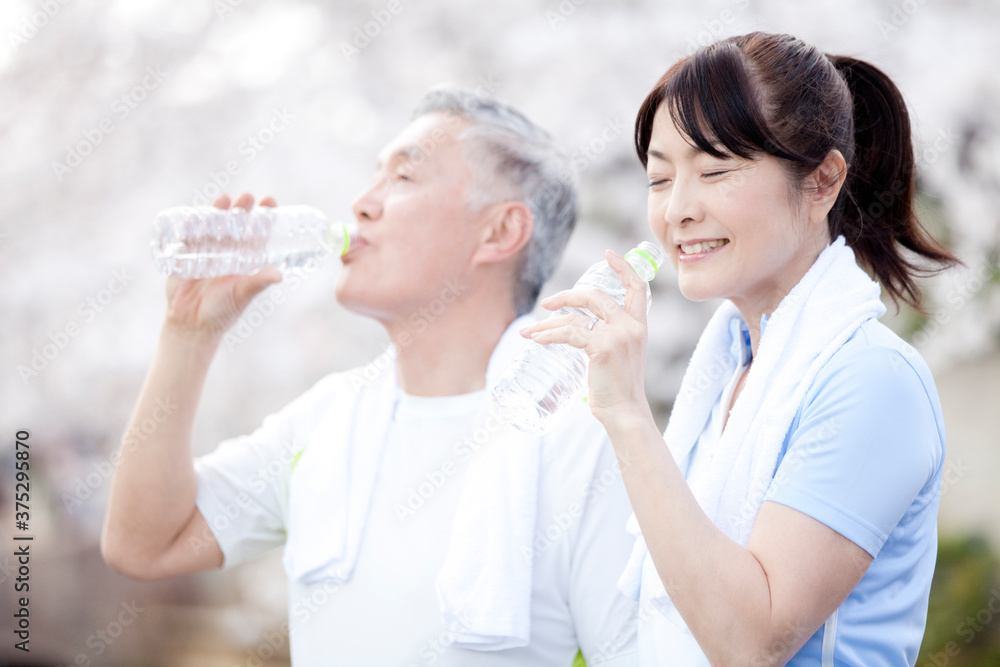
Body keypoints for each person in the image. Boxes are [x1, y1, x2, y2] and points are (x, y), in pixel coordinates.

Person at [101, 86, 638, 666]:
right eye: (372, 176)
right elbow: (145, 544)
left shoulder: (586, 439)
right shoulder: (328, 418)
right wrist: (188, 334)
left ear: (500, 233)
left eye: (403, 177)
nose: (360, 203)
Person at [521, 32, 957, 665]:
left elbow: (752, 642)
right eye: (660, 178)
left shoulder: (872, 381)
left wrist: (627, 415)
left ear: (823, 182)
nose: (677, 210)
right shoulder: (728, 371)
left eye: (715, 172)